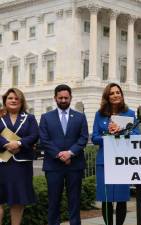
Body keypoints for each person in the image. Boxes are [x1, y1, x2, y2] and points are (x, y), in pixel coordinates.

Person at [39, 84, 88, 225]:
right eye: (60, 97)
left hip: (75, 165)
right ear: (55, 98)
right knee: (54, 200)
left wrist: (70, 153)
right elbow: (44, 139)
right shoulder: (46, 117)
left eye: (66, 97)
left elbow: (83, 138)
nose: (63, 100)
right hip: (53, 165)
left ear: (71, 98)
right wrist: (60, 155)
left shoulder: (80, 117)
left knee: (74, 200)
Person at [92, 83, 140, 225]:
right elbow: (94, 138)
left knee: (121, 198)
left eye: (117, 92)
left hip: (122, 161)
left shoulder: (130, 113)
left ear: (122, 94)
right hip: (104, 161)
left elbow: (136, 135)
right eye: (111, 93)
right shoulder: (99, 114)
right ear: (107, 97)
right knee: (106, 199)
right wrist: (108, 134)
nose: (115, 95)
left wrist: (121, 132)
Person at [0, 88, 39, 225]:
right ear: (5, 100)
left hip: (21, 165)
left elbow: (34, 135)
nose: (13, 100)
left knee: (17, 200)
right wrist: (6, 144)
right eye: (10, 98)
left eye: (17, 98)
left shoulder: (29, 118)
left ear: (21, 101)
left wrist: (19, 143)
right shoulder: (0, 117)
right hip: (2, 163)